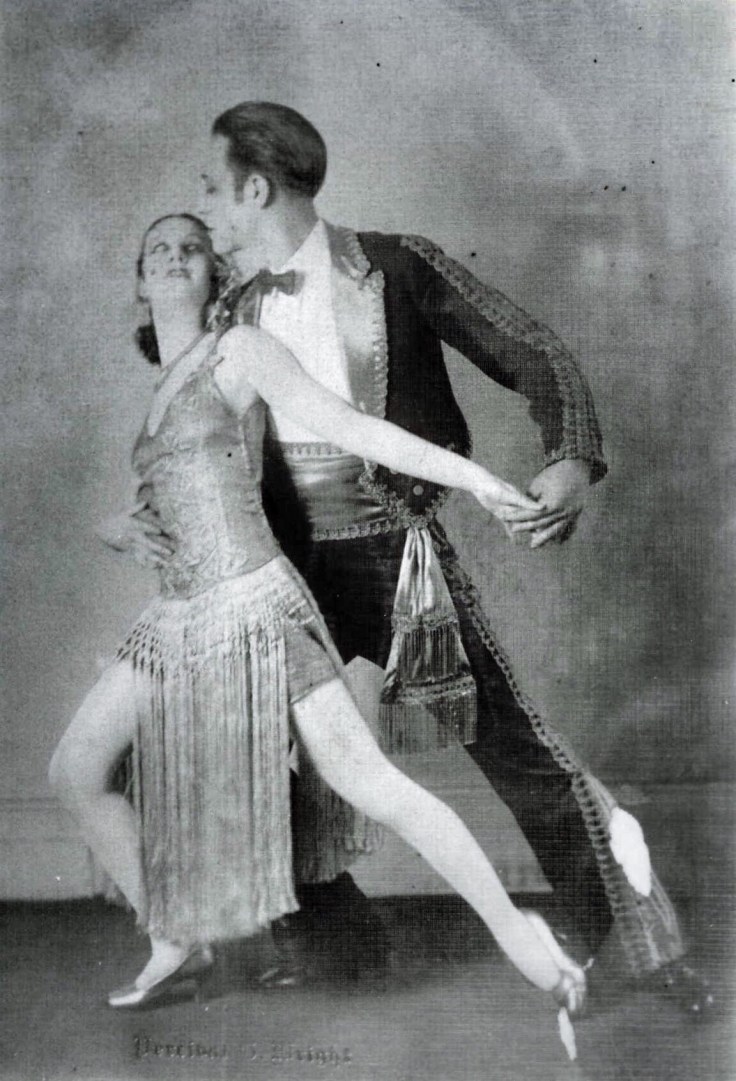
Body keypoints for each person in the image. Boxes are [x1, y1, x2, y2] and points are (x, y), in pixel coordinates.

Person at [189, 102, 713, 1016]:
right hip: (285, 570)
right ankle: (336, 943)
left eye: (213, 188)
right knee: (264, 752)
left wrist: (569, 457)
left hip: (399, 560)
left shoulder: (397, 263)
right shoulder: (234, 308)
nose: (206, 207)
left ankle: (645, 948)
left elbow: (533, 347)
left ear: (257, 188)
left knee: (518, 754)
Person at [49, 213, 587, 1027]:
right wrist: (118, 527)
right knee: (76, 770)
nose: (173, 257)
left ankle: (523, 938)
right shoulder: (163, 387)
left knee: (370, 781)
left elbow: (354, 428)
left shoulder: (239, 350)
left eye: (191, 247)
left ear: (216, 274)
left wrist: (475, 481)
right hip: (180, 614)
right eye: (157, 249)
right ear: (139, 281)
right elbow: (176, 493)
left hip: (253, 607)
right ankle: (174, 937)